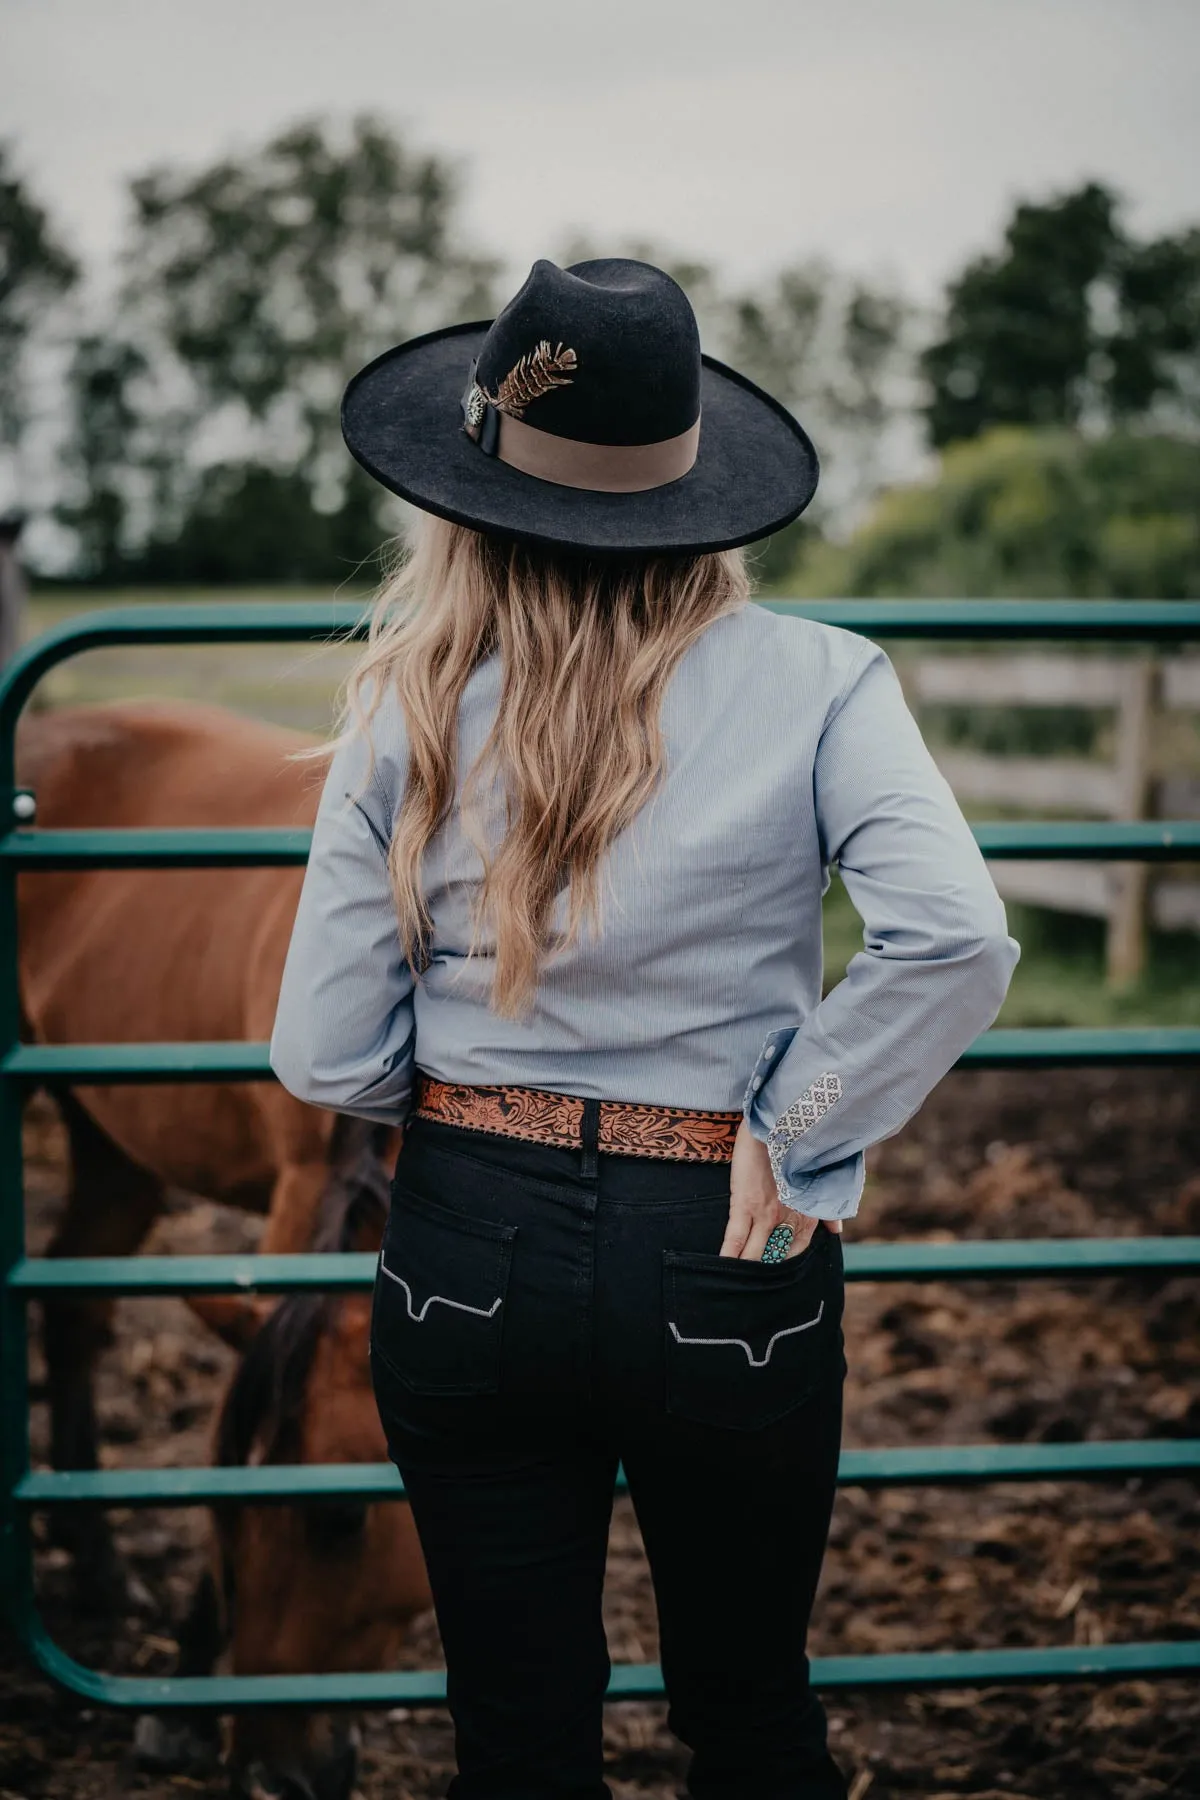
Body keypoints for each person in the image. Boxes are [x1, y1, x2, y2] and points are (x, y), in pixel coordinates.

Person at [270, 257, 1020, 1800]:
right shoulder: (824, 681)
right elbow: (954, 935)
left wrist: (486, 1092)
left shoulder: (404, 699)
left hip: (470, 1241)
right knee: (750, 1714)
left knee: (518, 1737)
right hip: (727, 1237)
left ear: (464, 493)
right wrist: (794, 1124)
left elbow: (326, 1060)